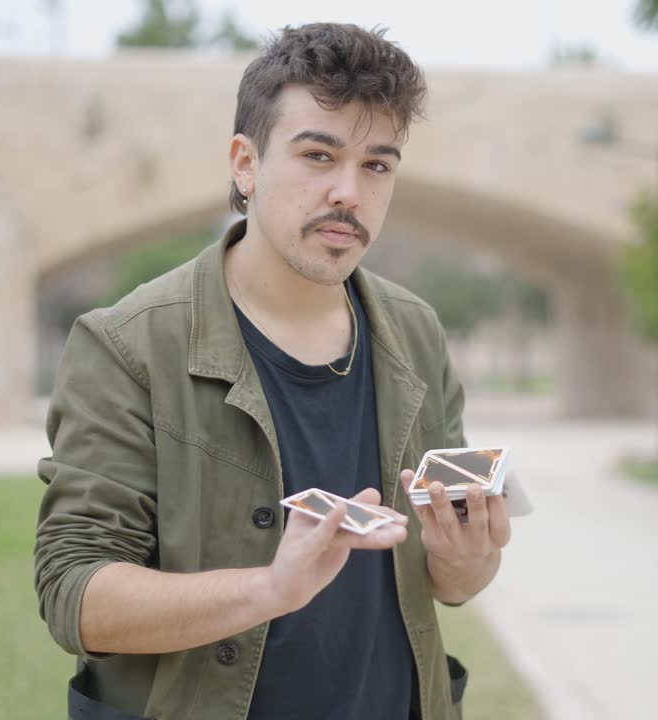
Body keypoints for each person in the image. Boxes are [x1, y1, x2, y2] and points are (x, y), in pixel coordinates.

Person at [34, 22, 511, 720]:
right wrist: (270, 589)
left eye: (378, 165)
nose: (349, 191)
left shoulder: (416, 333)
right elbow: (73, 595)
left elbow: (452, 583)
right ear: (245, 164)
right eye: (318, 155)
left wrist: (469, 559)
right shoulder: (127, 345)